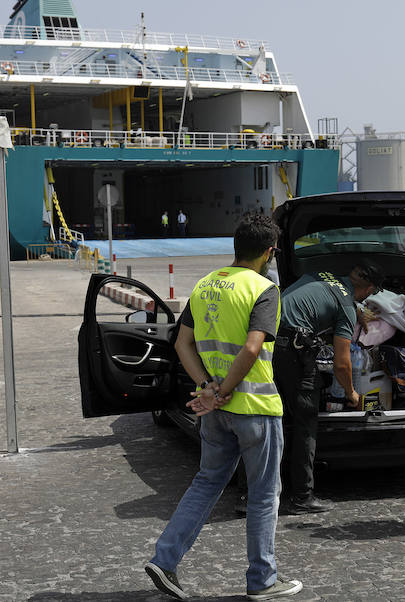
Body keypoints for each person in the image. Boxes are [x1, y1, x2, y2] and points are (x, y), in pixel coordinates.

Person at [145, 212, 302, 601]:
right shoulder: (264, 289)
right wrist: (225, 390)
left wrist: (207, 389)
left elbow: (182, 344)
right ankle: (263, 580)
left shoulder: (204, 286)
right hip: (255, 407)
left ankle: (164, 559)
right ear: (270, 252)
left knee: (207, 482)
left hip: (215, 410)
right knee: (265, 494)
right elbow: (252, 348)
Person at [273, 262, 384, 514]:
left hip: (267, 342)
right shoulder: (345, 305)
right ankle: (302, 496)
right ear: (368, 289)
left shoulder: (320, 274)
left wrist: (356, 311)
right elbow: (342, 364)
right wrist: (351, 393)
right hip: (293, 352)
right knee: (305, 420)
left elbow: (324, 297)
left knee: (270, 418)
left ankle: (250, 496)